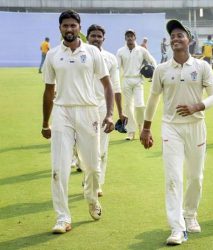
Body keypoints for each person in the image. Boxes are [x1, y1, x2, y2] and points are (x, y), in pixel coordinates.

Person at [140, 19, 213, 245]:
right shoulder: (162, 70)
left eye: (180, 35)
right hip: (171, 127)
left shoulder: (202, 67)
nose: (175, 39)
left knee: (195, 177)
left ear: (189, 40)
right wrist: (146, 128)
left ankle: (190, 214)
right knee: (173, 178)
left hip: (195, 126)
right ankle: (177, 227)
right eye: (172, 36)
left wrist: (197, 106)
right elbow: (153, 99)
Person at [41, 10, 115, 233]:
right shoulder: (53, 55)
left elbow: (107, 85)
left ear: (79, 28)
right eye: (65, 26)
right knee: (59, 168)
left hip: (89, 111)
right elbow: (48, 91)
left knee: (92, 167)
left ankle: (92, 197)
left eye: (73, 25)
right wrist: (46, 123)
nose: (69, 29)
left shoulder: (92, 52)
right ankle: (63, 217)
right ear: (60, 28)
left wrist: (109, 114)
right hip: (62, 112)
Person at [82, 24, 126, 197]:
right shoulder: (80, 56)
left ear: (103, 39)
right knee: (84, 149)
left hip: (102, 106)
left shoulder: (110, 59)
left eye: (99, 36)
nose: (96, 39)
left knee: (101, 149)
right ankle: (88, 178)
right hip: (81, 106)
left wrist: (119, 112)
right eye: (93, 36)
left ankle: (97, 184)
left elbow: (116, 87)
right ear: (87, 37)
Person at [116, 29, 157, 140]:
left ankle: (141, 127)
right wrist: (115, 81)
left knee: (140, 105)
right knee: (128, 107)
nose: (130, 38)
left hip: (138, 80)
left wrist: (155, 73)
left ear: (135, 37)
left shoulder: (141, 50)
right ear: (125, 38)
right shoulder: (120, 51)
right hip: (126, 80)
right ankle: (131, 132)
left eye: (132, 36)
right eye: (128, 36)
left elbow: (152, 60)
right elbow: (117, 68)